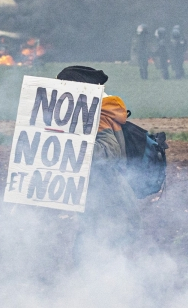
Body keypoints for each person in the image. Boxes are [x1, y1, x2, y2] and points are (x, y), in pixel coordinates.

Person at [56, 65, 139, 251]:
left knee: (96, 246)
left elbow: (109, 151)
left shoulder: (97, 115)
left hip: (109, 195)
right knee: (94, 242)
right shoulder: (90, 112)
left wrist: (71, 146)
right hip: (104, 193)